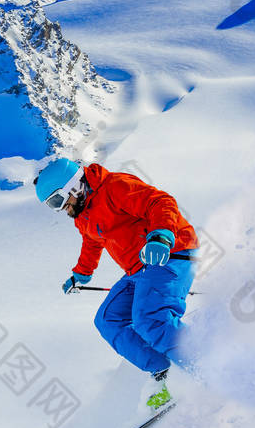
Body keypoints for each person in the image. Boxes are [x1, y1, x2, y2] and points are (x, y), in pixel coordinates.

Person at [34, 158, 199, 409]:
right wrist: (81, 274)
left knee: (150, 318)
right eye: (52, 206)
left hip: (170, 253)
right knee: (108, 320)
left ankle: (201, 364)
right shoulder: (83, 214)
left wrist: (161, 235)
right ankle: (164, 372)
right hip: (138, 269)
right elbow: (92, 242)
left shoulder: (114, 186)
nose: (61, 210)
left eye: (58, 201)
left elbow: (161, 202)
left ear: (73, 187)